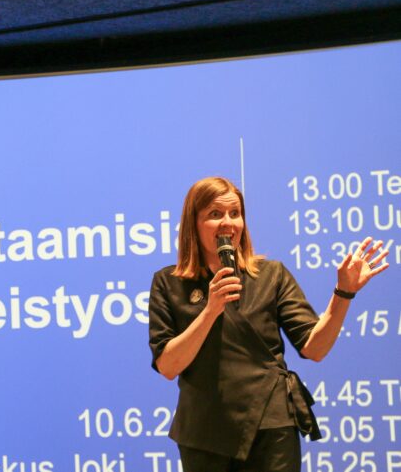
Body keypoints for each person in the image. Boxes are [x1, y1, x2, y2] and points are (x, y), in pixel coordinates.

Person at [148, 176, 390, 472]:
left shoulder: (271, 275)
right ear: (193, 224)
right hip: (204, 431)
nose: (228, 223)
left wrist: (344, 293)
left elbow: (315, 348)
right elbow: (168, 366)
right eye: (215, 214)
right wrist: (210, 310)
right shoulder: (168, 283)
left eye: (235, 213)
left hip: (271, 423)